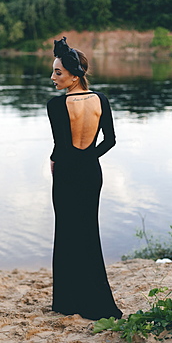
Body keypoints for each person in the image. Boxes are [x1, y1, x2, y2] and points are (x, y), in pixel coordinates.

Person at [47, 36, 123, 321]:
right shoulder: (100, 100)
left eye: (58, 72)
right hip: (91, 172)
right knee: (89, 231)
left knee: (66, 232)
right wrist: (88, 158)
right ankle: (95, 297)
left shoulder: (55, 105)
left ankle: (67, 301)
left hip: (66, 173)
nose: (53, 77)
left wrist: (56, 163)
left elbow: (60, 147)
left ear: (74, 74)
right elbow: (110, 140)